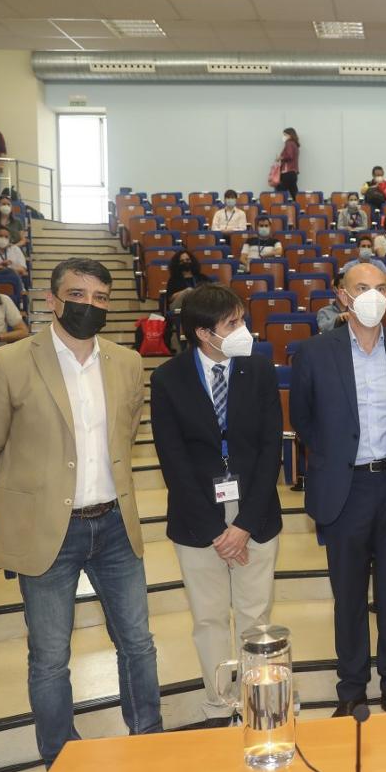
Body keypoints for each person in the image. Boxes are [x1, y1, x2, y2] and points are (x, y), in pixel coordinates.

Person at [0, 258, 160, 765]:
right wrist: (17, 516)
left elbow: (127, 432)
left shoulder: (127, 361)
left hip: (115, 524)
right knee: (50, 658)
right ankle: (60, 754)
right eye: (78, 294)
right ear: (52, 299)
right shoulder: (7, 363)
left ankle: (151, 739)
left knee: (138, 642)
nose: (88, 305)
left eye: (99, 298)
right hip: (48, 532)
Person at [288, 262, 386, 717]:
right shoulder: (313, 353)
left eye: (382, 288)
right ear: (342, 296)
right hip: (345, 489)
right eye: (362, 288)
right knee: (347, 598)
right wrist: (334, 461)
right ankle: (351, 689)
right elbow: (304, 420)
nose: (374, 295)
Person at [150, 284, 282, 729]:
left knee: (254, 614)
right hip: (197, 520)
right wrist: (216, 532)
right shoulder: (168, 379)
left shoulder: (259, 371)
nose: (244, 329)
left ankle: (254, 700)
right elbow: (174, 462)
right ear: (205, 334)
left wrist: (242, 526)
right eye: (233, 323)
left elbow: (270, 452)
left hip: (255, 515)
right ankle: (219, 701)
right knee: (208, 617)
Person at [166, 248, 212, 314]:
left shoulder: (201, 277)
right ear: (177, 264)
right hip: (179, 304)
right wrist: (184, 292)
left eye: (187, 260)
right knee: (189, 291)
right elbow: (170, 298)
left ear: (192, 261)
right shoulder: (174, 279)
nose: (185, 262)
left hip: (200, 303)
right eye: (182, 261)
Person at [277, 128, 300, 196]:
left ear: (290, 135)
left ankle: (279, 206)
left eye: (285, 135)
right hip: (293, 173)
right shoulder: (295, 144)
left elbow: (289, 156)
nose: (283, 137)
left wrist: (280, 158)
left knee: (280, 194)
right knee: (294, 193)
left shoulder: (289, 143)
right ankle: (300, 205)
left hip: (287, 172)